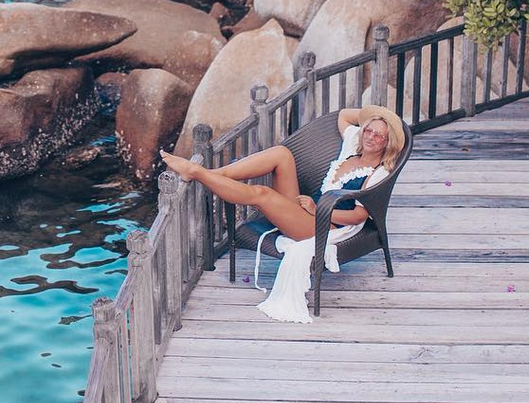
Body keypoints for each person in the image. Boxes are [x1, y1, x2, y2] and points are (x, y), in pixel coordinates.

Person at [160, 105, 405, 324]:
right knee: (281, 154)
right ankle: (216, 174)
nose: (371, 137)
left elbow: (359, 218)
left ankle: (198, 173)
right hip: (307, 211)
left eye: (379, 135)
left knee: (262, 194)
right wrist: (379, 114)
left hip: (327, 226)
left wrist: (319, 211)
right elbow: (343, 116)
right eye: (368, 131)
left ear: (387, 142)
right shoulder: (353, 144)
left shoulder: (379, 172)